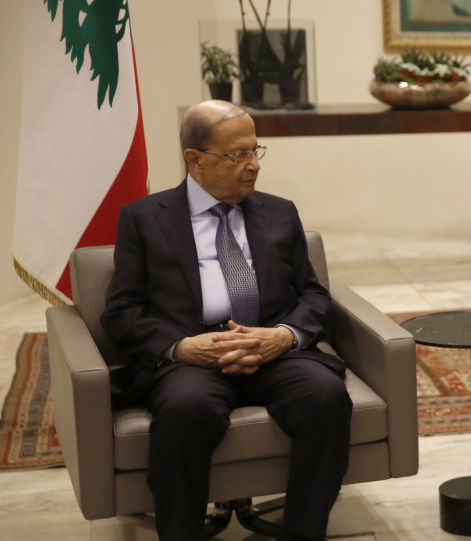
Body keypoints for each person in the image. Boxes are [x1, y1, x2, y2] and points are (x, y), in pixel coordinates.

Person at [101, 100, 352, 541]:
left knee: (326, 397)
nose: (254, 165)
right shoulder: (143, 219)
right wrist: (181, 347)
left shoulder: (280, 212)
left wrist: (282, 336)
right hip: (193, 357)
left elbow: (313, 294)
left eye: (255, 150)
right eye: (238, 155)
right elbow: (122, 311)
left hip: (271, 350)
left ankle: (304, 532)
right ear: (195, 160)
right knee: (185, 410)